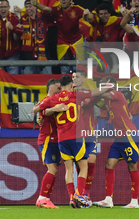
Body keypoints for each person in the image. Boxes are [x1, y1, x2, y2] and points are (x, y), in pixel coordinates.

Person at [34, 75, 112, 208]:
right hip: (75, 137)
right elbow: (96, 92)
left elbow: (37, 109)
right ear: (71, 85)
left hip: (61, 140)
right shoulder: (77, 96)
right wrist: (108, 87)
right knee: (84, 166)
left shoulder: (53, 99)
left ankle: (71, 198)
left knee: (68, 169)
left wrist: (48, 112)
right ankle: (79, 195)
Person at [93, 76, 139, 209]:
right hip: (119, 137)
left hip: (129, 134)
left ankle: (134, 202)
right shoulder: (107, 101)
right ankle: (108, 199)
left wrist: (84, 90)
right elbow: (96, 101)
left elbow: (98, 94)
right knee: (109, 164)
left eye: (102, 84)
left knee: (132, 166)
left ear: (110, 84)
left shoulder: (117, 94)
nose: (100, 86)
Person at [34, 0, 84, 74]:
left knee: (80, 70)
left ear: (71, 1)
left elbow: (88, 17)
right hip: (62, 43)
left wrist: (87, 15)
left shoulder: (77, 9)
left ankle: (79, 87)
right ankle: (66, 87)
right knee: (64, 70)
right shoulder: (57, 10)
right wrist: (35, 3)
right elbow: (45, 8)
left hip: (77, 42)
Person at [72, 69, 101, 207]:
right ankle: (78, 194)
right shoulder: (68, 95)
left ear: (83, 79)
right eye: (72, 77)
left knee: (91, 161)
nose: (74, 79)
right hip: (75, 135)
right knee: (80, 164)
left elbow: (103, 98)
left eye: (77, 77)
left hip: (89, 133)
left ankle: (85, 193)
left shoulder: (90, 93)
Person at [34, 78, 61, 209]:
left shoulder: (55, 100)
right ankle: (42, 198)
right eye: (58, 88)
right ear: (51, 88)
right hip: (47, 139)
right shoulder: (45, 101)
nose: (60, 90)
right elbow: (37, 110)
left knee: (55, 170)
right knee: (52, 169)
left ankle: (46, 199)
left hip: (56, 139)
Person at [20, 0, 49, 74]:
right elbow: (21, 39)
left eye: (30, 6)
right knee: (28, 83)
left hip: (44, 55)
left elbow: (49, 11)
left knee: (46, 81)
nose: (28, 9)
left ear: (36, 7)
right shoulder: (22, 19)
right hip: (28, 57)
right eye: (26, 7)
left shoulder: (43, 16)